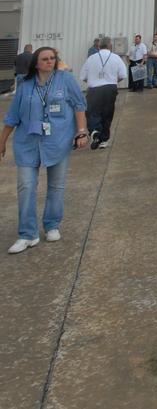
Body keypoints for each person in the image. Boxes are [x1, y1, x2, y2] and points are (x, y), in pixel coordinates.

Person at [1, 45, 88, 253]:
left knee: (56, 186)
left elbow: (79, 105)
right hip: (27, 144)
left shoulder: (65, 80)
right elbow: (13, 116)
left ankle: (52, 225)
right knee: (26, 187)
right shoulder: (25, 85)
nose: (49, 62)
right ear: (36, 64)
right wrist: (2, 140)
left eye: (52, 58)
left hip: (57, 141)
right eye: (45, 59)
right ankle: (27, 234)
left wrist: (82, 131)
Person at [79, 37, 128, 148]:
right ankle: (104, 140)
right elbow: (123, 75)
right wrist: (113, 82)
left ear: (98, 45)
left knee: (92, 112)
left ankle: (95, 132)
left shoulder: (91, 58)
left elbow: (83, 76)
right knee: (107, 114)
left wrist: (92, 82)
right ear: (110, 45)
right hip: (110, 89)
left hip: (94, 89)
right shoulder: (116, 58)